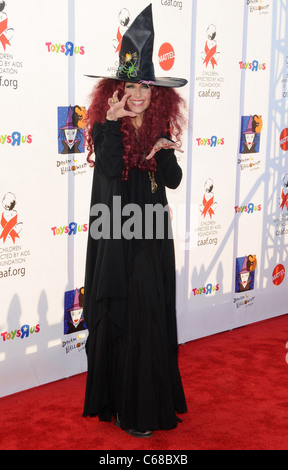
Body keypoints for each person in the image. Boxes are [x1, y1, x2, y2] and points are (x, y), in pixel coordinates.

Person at [82, 4, 188, 438]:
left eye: (145, 86)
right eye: (131, 85)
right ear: (117, 89)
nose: (139, 94)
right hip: (120, 236)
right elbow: (107, 171)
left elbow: (175, 182)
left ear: (156, 91)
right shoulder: (108, 129)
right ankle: (128, 407)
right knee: (128, 318)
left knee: (151, 318)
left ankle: (148, 402)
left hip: (153, 239)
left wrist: (164, 150)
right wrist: (109, 123)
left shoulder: (158, 128)